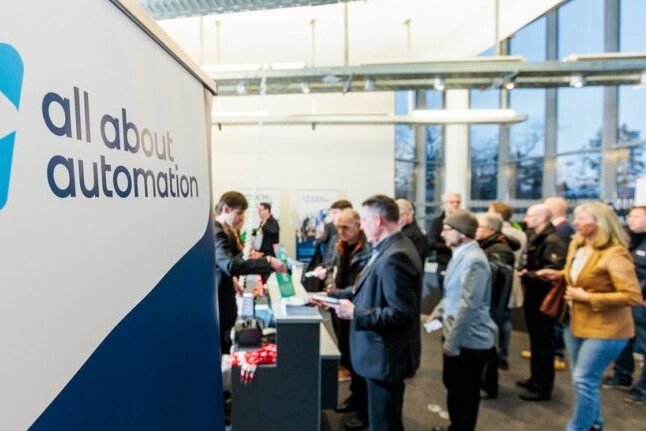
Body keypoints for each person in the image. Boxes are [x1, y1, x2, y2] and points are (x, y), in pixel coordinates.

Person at [536, 202, 642, 431]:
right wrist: (559, 274)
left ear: (599, 223)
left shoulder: (615, 253)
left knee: (584, 379)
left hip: (607, 328)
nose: (575, 223)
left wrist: (588, 298)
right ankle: (594, 423)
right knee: (582, 379)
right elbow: (579, 274)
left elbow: (632, 296)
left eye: (582, 218)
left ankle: (578, 427)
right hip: (575, 322)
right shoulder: (578, 245)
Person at [332, 195, 422, 431]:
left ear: (378, 220)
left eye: (364, 220)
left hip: (386, 358)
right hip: (379, 356)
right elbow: (366, 289)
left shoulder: (396, 256)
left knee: (384, 423)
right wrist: (332, 296)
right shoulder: (388, 248)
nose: (361, 226)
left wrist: (355, 313)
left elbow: (401, 314)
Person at [429, 210, 496, 431]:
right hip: (456, 335)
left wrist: (452, 343)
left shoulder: (475, 260)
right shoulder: (460, 254)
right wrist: (437, 313)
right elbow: (452, 295)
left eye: (447, 229)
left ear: (463, 233)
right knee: (454, 387)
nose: (442, 234)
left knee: (465, 393)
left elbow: (469, 307)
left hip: (468, 340)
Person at [214, 192, 287, 354]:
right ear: (226, 209)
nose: (242, 218)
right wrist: (268, 261)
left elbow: (226, 264)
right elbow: (229, 265)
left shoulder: (226, 231)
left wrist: (232, 277)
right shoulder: (217, 232)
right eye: (239, 213)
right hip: (220, 302)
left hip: (227, 298)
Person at [322, 209, 372, 429]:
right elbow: (335, 272)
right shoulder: (341, 245)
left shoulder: (368, 250)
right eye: (338, 227)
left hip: (357, 309)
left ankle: (364, 410)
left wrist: (334, 293)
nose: (341, 231)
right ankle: (355, 398)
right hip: (340, 308)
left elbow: (360, 287)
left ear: (358, 226)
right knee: (349, 358)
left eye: (346, 227)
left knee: (360, 362)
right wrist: (330, 288)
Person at [517, 204, 566, 401]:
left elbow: (552, 271)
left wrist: (528, 274)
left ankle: (542, 386)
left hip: (543, 297)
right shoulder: (536, 237)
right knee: (536, 341)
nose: (526, 219)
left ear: (542, 217)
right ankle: (535, 378)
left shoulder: (552, 241)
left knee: (543, 342)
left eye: (529, 215)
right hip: (534, 295)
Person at [601, 206, 646, 405]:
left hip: (642, 302)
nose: (630, 219)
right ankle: (622, 375)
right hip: (625, 301)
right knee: (623, 338)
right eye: (630, 216)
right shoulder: (629, 240)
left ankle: (643, 388)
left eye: (636, 216)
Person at [475, 213, 515, 400]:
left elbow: (496, 281)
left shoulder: (500, 250)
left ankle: (489, 385)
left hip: (490, 306)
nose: (475, 230)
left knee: (488, 348)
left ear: (491, 230)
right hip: (487, 305)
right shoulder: (487, 246)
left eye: (479, 226)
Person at [488, 201, 527, 370]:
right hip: (513, 278)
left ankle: (495, 352)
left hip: (501, 280)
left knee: (499, 317)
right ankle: (503, 354)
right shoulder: (520, 234)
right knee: (505, 318)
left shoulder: (501, 236)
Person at [544, 196, 576, 370]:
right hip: (560, 278)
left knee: (556, 320)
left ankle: (557, 354)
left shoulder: (562, 230)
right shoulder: (563, 229)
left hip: (559, 281)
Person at [427, 193, 462, 284]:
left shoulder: (464, 222)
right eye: (452, 202)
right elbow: (431, 243)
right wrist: (450, 245)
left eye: (458, 202)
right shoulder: (437, 222)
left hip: (461, 262)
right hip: (444, 262)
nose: (455, 204)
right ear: (445, 204)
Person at [396, 198, 429, 263]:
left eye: (400, 215)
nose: (396, 218)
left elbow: (415, 262)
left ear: (409, 215)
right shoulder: (401, 232)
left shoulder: (417, 236)